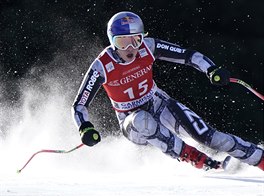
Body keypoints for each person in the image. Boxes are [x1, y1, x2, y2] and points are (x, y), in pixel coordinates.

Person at [72, 11, 264, 171]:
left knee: (209, 136)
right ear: (112, 42)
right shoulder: (102, 66)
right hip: (131, 121)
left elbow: (187, 55)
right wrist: (85, 128)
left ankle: (258, 158)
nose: (131, 49)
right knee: (142, 119)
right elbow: (80, 104)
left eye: (136, 40)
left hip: (158, 102)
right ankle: (202, 161)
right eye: (123, 43)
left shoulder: (148, 47)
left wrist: (211, 69)